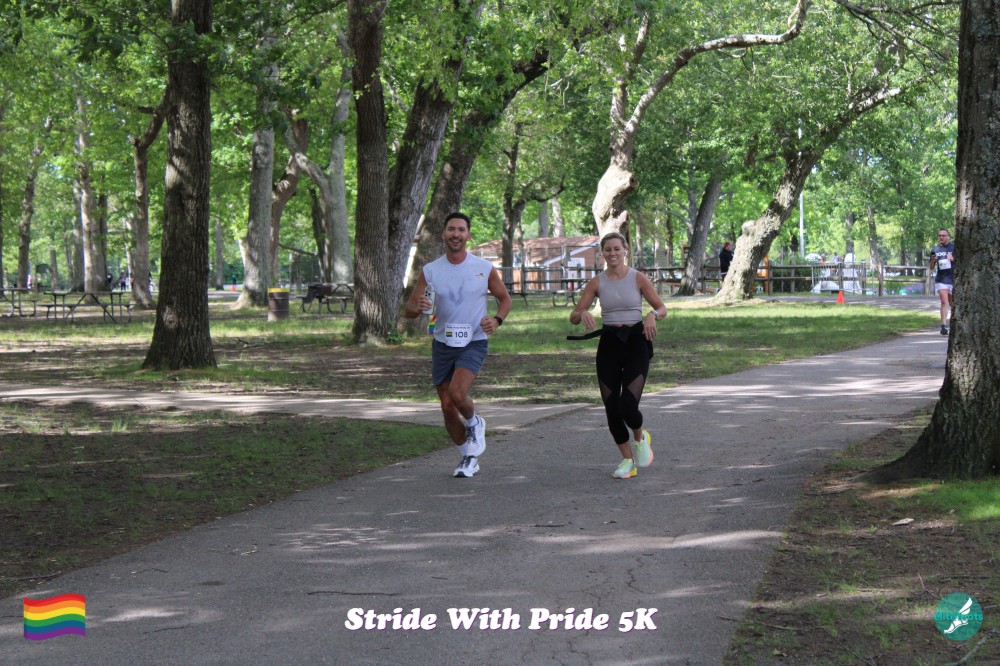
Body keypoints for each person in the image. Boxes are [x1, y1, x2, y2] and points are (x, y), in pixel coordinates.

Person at [405, 212, 512, 478]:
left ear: (468, 235)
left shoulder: (483, 267)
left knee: (457, 392)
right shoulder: (431, 271)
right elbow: (409, 310)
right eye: (451, 229)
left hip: (474, 341)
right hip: (443, 344)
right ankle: (468, 457)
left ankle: (475, 422)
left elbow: (505, 299)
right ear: (443, 234)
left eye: (461, 230)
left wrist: (496, 320)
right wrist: (418, 307)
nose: (456, 234)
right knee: (447, 407)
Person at [569, 232, 668, 479]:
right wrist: (582, 313)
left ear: (625, 251)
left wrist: (651, 315)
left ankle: (640, 437)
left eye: (617, 249)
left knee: (628, 406)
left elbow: (661, 307)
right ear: (602, 253)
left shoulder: (638, 278)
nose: (612, 253)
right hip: (610, 345)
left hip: (636, 342)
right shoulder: (596, 282)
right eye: (608, 249)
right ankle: (627, 461)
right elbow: (574, 316)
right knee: (612, 408)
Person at [929, 228, 955, 335]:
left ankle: (955, 324)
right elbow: (931, 267)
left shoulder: (954, 247)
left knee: (952, 303)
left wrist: (952, 259)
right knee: (944, 302)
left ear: (948, 236)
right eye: (939, 235)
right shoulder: (935, 250)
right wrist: (933, 261)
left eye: (943, 235)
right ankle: (943, 326)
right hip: (941, 280)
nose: (941, 237)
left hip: (953, 279)